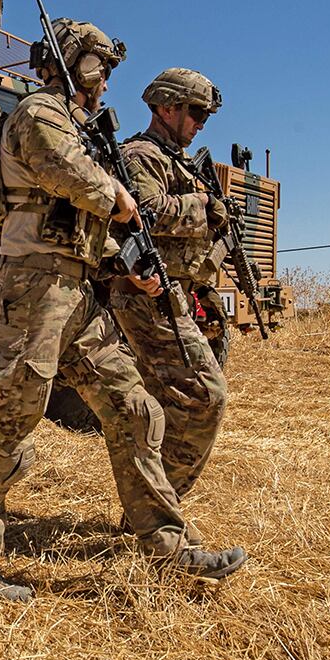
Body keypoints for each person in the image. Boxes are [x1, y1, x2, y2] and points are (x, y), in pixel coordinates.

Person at [0, 21, 247, 601]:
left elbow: (81, 228)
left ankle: (165, 546)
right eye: (100, 68)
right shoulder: (39, 115)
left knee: (135, 409)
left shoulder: (79, 126)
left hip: (79, 292)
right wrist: (121, 198)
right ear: (72, 63)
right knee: (11, 420)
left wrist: (123, 263)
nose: (107, 81)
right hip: (32, 290)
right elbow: (73, 178)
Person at [109, 69, 233, 542]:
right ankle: (158, 516)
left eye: (205, 115)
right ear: (166, 108)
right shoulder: (140, 156)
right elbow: (145, 212)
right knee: (205, 398)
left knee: (170, 406)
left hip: (177, 294)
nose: (201, 123)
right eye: (195, 112)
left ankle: (151, 518)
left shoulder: (177, 161)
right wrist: (204, 206)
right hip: (146, 296)